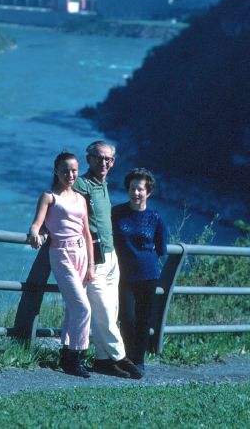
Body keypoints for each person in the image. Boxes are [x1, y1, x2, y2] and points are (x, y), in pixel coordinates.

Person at [73, 140, 143, 379]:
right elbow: (61, 203)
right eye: (99, 157)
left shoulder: (102, 184)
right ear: (89, 158)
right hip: (95, 258)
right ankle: (122, 357)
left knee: (111, 312)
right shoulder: (81, 184)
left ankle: (103, 360)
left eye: (109, 159)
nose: (104, 162)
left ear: (113, 162)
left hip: (111, 257)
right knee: (102, 311)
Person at [29, 152, 95, 378]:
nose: (70, 174)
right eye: (65, 170)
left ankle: (67, 354)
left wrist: (91, 265)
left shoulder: (80, 198)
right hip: (61, 252)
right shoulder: (49, 197)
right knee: (82, 307)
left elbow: (87, 233)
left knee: (73, 308)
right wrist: (36, 235)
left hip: (82, 252)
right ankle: (75, 357)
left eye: (74, 170)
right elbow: (36, 225)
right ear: (56, 171)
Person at [112, 168, 167, 376]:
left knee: (144, 319)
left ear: (148, 193)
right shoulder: (116, 213)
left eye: (140, 189)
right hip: (122, 275)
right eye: (133, 188)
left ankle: (139, 360)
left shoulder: (155, 217)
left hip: (148, 275)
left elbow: (162, 247)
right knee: (127, 317)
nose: (136, 193)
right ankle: (125, 359)